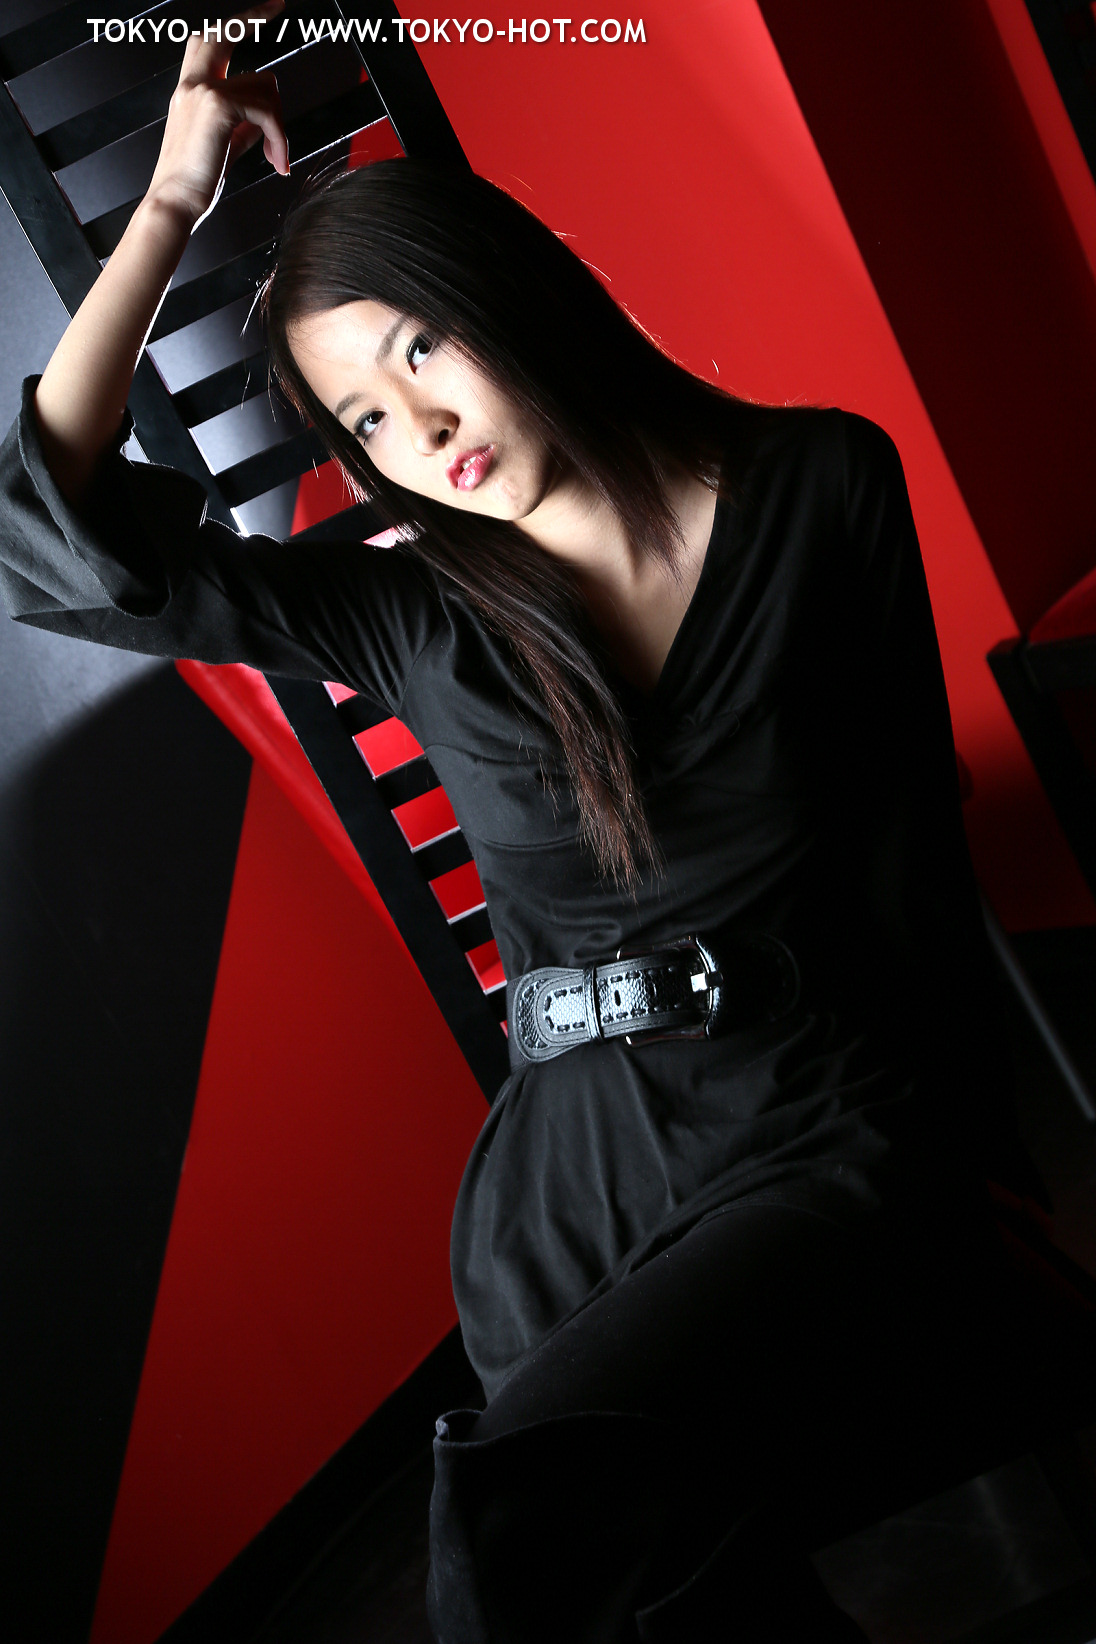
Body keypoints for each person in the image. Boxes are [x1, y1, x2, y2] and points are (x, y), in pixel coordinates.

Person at [0, 9, 1080, 1640]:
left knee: (535, 1533)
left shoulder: (820, 489)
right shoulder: (411, 614)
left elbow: (906, 859)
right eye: (366, 423)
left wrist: (989, 1175)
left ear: (507, 292)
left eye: (419, 350)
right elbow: (60, 542)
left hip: (808, 1123)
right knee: (662, 1579)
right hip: (558, 1202)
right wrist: (164, 205)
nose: (419, 432)